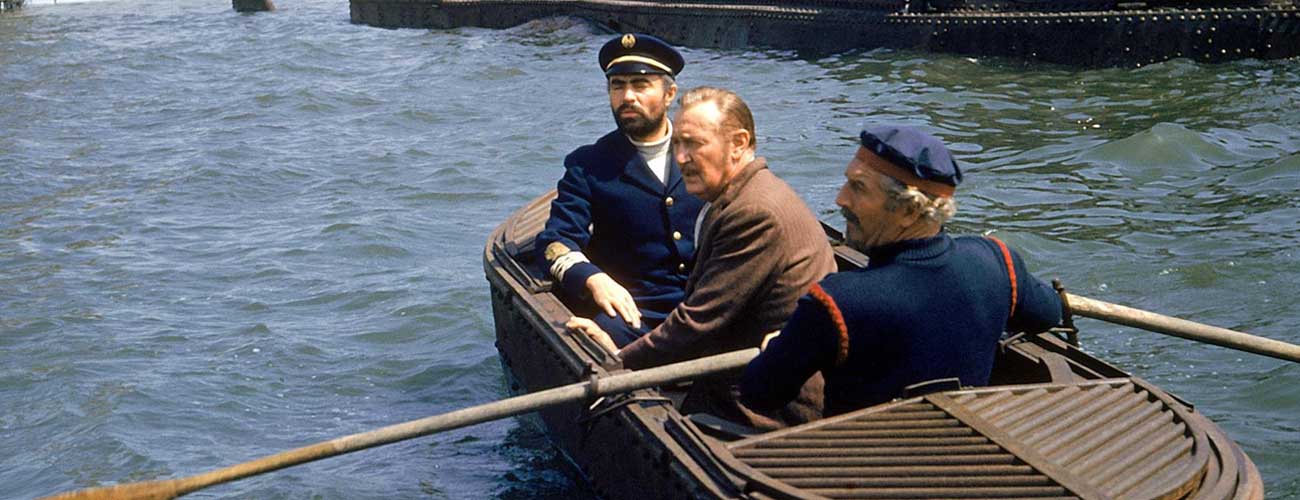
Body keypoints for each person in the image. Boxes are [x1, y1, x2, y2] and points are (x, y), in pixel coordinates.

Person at [739, 125, 1064, 417]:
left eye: (858, 187)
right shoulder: (995, 260)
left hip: (865, 461)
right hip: (965, 447)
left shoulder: (837, 302)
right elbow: (1048, 314)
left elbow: (759, 394)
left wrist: (776, 349)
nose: (840, 199)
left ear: (909, 211)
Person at [569, 87, 836, 429]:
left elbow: (698, 323)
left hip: (762, 408)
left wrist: (617, 363)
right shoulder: (746, 195)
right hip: (746, 378)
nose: (681, 158)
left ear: (738, 143)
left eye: (693, 144)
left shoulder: (753, 213)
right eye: (677, 144)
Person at [536, 33, 706, 347]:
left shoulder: (704, 151)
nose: (627, 96)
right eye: (617, 86)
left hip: (708, 303)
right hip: (634, 314)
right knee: (595, 348)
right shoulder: (589, 165)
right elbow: (556, 241)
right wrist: (593, 278)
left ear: (669, 94)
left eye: (640, 85)